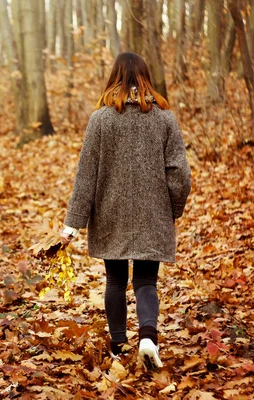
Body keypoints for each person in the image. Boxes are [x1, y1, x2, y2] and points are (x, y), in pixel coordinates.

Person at [60, 52, 191, 370]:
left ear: (114, 78)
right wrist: (173, 208)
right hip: (152, 213)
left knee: (115, 281)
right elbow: (181, 174)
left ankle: (118, 346)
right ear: (146, 77)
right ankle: (148, 338)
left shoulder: (100, 119)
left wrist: (71, 225)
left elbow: (86, 175)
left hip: (110, 213)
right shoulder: (164, 118)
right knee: (146, 281)